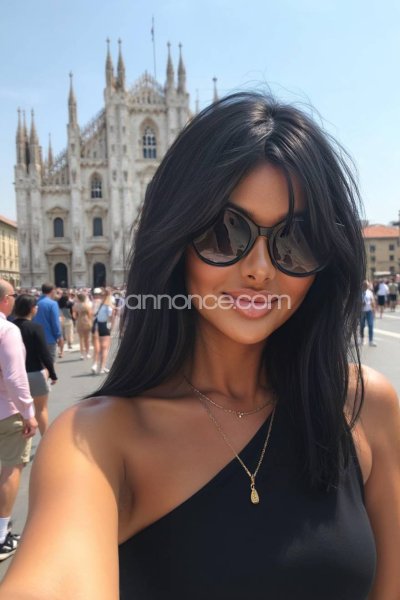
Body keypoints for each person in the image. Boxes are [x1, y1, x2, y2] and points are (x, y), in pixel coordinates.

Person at [1, 93, 399, 599]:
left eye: (296, 239)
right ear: (174, 238)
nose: (260, 269)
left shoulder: (364, 406)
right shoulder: (98, 443)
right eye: (224, 231)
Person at [0, 280, 37, 562]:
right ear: (4, 300)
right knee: (11, 467)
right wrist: (28, 413)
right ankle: (1, 535)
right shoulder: (7, 330)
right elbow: (14, 377)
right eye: (13, 294)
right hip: (6, 412)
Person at [13, 295, 58, 436]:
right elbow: (44, 353)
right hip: (35, 372)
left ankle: (23, 438)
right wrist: (52, 373)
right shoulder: (36, 327)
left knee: (19, 411)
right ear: (32, 309)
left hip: (15, 375)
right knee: (41, 409)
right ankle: (45, 439)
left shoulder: (9, 327)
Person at [33, 283, 62, 363]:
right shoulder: (52, 304)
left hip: (35, 338)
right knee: (49, 364)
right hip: (49, 338)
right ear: (52, 291)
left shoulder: (35, 302)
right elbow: (55, 322)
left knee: (39, 364)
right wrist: (59, 336)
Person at [91, 288, 115, 375]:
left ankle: (95, 364)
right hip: (104, 325)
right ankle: (102, 367)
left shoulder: (96, 303)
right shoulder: (109, 305)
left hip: (96, 325)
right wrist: (111, 327)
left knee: (97, 346)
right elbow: (111, 317)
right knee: (104, 348)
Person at [72, 292, 93, 359]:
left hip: (79, 321)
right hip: (87, 321)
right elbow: (90, 314)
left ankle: (82, 354)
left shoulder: (75, 306)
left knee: (81, 339)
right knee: (87, 338)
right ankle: (87, 353)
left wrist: (77, 317)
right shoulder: (87, 305)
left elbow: (74, 315)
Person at [360, 280, 377, 347]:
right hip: (362, 311)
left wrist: (374, 310)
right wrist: (361, 304)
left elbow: (373, 301)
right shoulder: (359, 293)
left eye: (367, 285)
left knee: (370, 325)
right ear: (362, 285)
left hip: (369, 311)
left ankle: (371, 341)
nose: (366, 286)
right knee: (362, 326)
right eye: (365, 285)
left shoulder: (369, 292)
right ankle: (362, 339)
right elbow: (355, 303)